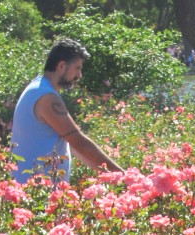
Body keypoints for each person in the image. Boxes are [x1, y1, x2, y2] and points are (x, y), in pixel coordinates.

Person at [11, 37, 122, 184]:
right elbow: (78, 142)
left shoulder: (38, 87)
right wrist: (124, 177)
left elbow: (73, 146)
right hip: (35, 193)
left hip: (34, 191)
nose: (79, 75)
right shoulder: (47, 97)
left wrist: (110, 176)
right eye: (78, 68)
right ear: (62, 66)